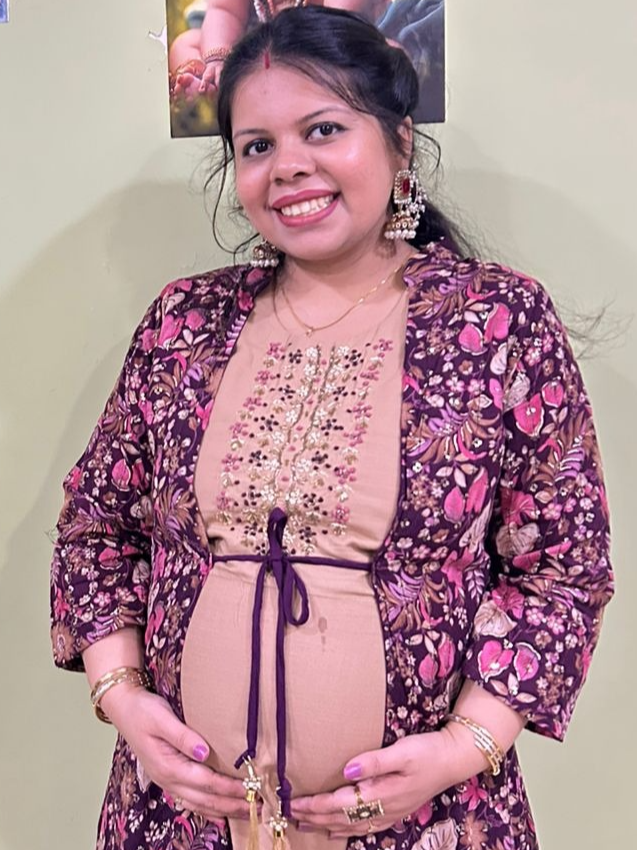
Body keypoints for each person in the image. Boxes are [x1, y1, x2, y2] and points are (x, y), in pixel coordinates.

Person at [50, 6, 614, 850]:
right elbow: (96, 527)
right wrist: (123, 699)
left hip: (427, 824)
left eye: (322, 129)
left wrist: (463, 749)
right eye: (256, 146)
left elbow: (563, 571)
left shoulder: (494, 320)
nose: (287, 167)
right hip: (176, 822)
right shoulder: (184, 322)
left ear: (399, 144)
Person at [169, 0, 389, 101]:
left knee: (388, 53)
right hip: (255, 47)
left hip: (326, 44)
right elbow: (225, 11)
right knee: (186, 43)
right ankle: (206, 85)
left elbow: (341, 20)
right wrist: (217, 59)